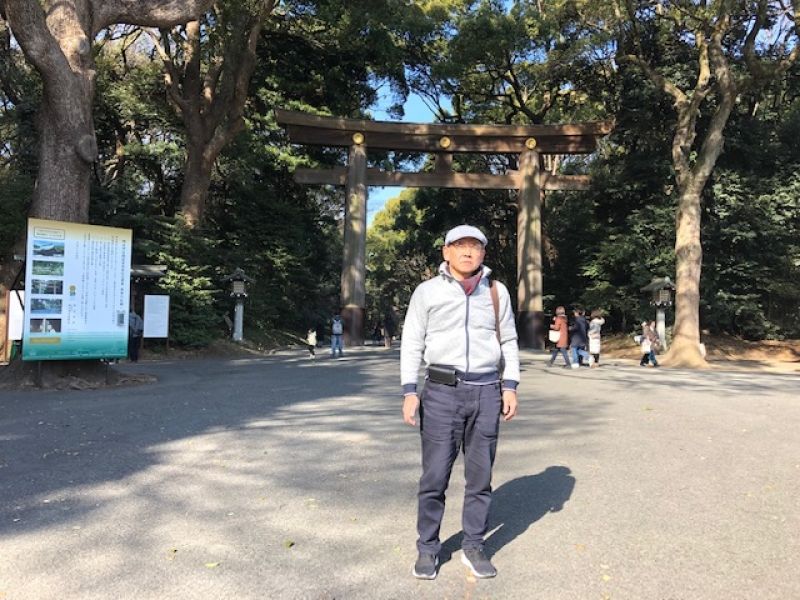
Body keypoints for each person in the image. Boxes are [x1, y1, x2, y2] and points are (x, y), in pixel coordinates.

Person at [401, 224, 519, 581]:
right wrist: (409, 391)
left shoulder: (497, 292)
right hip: (440, 391)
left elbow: (510, 340)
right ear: (446, 252)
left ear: (484, 253)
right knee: (434, 475)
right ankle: (428, 547)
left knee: (480, 477)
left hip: (486, 391)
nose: (468, 252)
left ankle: (473, 544)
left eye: (475, 246)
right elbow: (412, 341)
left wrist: (510, 385)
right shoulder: (427, 292)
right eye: (460, 246)